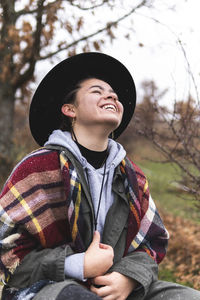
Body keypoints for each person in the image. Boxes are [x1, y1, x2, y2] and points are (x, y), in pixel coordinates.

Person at [0, 52, 199, 300]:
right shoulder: (38, 168)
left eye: (113, 93)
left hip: (115, 289)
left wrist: (127, 278)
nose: (111, 95)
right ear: (69, 109)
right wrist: (77, 264)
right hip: (47, 288)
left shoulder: (133, 178)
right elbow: (7, 254)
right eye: (97, 91)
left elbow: (153, 244)